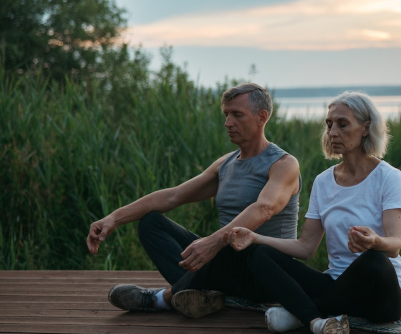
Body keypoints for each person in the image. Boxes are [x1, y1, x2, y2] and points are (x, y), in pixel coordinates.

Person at [86, 83, 301, 317]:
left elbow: (265, 208)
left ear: (262, 117)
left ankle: (162, 298)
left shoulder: (283, 165)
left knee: (234, 246)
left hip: (266, 273)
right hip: (228, 266)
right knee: (151, 223)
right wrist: (114, 218)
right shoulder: (226, 164)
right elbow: (173, 196)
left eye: (237, 115)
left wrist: (214, 241)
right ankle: (197, 296)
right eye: (226, 114)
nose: (228, 123)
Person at [223, 91, 401, 334]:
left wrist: (374, 241)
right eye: (329, 124)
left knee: (374, 261)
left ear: (366, 128)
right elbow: (305, 247)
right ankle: (316, 319)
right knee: (259, 253)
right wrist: (255, 237)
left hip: (381, 297)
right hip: (335, 285)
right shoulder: (323, 182)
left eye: (342, 124)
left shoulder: (388, 177)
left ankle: (302, 314)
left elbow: (395, 245)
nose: (332, 132)